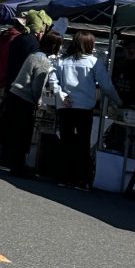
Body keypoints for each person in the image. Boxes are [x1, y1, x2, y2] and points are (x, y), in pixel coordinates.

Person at [51, 31, 122, 189]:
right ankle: (81, 179)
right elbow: (106, 86)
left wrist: (60, 94)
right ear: (89, 45)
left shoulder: (62, 61)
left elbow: (53, 80)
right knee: (83, 143)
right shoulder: (94, 62)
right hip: (84, 108)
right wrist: (118, 102)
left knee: (66, 141)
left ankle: (63, 176)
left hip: (65, 106)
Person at [0, 31, 64, 178]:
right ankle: (18, 167)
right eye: (60, 45)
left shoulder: (34, 55)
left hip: (15, 94)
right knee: (22, 135)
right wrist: (37, 101)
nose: (60, 48)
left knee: (13, 132)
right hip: (24, 98)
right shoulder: (44, 61)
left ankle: (9, 162)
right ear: (54, 45)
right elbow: (37, 86)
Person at [111, 39, 135, 107]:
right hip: (116, 104)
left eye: (134, 48)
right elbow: (112, 83)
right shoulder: (117, 65)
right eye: (128, 48)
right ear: (124, 49)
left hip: (132, 106)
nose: (131, 50)